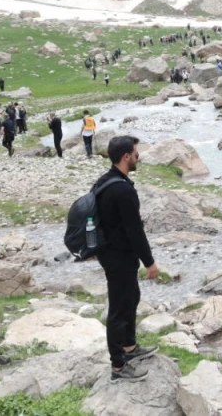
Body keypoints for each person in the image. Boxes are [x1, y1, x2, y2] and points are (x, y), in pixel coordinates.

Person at [93, 136, 160, 382]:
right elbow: (134, 231)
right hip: (118, 257)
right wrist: (149, 261)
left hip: (112, 253)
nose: (138, 156)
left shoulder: (106, 181)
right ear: (126, 157)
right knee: (119, 309)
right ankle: (118, 367)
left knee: (131, 298)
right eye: (136, 153)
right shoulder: (122, 189)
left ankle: (130, 349)